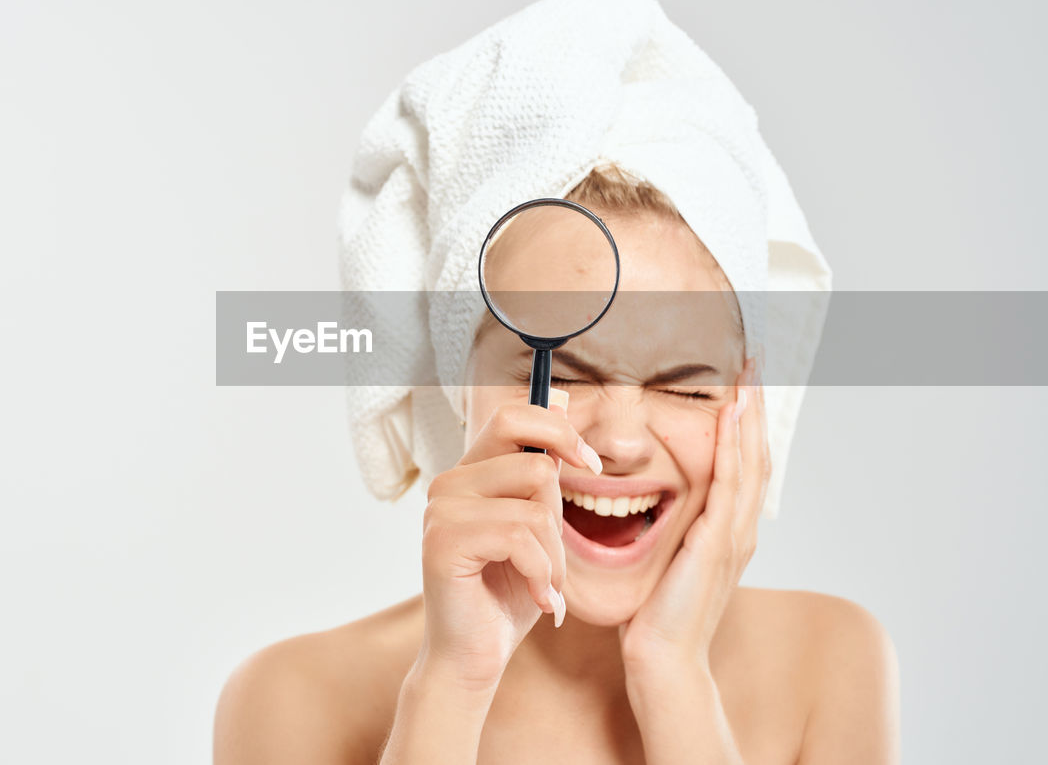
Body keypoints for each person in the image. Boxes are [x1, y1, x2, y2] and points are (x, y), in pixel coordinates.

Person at [213, 163, 900, 764]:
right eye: (562, 377)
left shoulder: (832, 664)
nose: (622, 443)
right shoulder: (295, 700)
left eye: (685, 386)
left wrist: (673, 676)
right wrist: (453, 684)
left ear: (746, 404)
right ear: (457, 386)